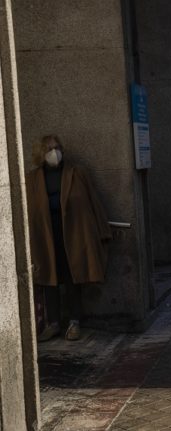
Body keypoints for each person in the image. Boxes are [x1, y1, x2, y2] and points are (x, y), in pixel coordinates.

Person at [27, 135, 112, 341]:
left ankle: (75, 322)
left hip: (73, 233)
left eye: (57, 147)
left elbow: (92, 200)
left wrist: (103, 231)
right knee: (49, 277)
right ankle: (53, 323)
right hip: (46, 234)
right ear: (41, 154)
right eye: (49, 149)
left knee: (72, 276)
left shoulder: (76, 173)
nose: (54, 152)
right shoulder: (33, 178)